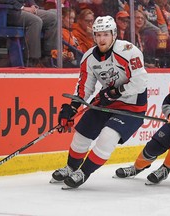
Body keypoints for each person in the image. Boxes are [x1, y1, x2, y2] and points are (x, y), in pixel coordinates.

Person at [50, 15, 148, 189]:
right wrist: (72, 107)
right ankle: (71, 167)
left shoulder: (128, 51)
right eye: (98, 34)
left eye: (106, 34)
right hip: (106, 103)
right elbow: (84, 87)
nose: (102, 39)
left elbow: (140, 82)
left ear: (114, 34)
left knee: (107, 137)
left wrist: (115, 92)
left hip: (132, 106)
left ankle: (84, 172)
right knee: (81, 134)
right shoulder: (89, 57)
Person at [0, 0, 57, 67]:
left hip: (24, 10)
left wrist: (32, 5)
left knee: (53, 18)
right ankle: (32, 60)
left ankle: (49, 56)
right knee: (35, 21)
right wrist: (23, 7)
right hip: (10, 12)